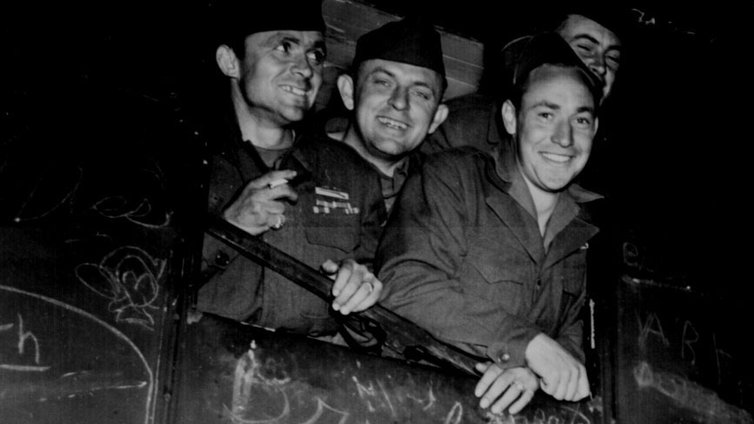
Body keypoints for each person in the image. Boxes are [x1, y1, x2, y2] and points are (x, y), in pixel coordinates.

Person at [376, 33, 602, 416]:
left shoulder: (590, 227)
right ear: (512, 119)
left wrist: (538, 372)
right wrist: (527, 345)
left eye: (579, 120)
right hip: (410, 406)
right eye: (546, 115)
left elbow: (580, 329)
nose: (564, 139)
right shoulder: (454, 178)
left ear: (594, 130)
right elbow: (402, 283)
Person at [195, 0, 385, 335]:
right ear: (230, 62)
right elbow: (128, 287)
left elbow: (373, 335)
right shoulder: (174, 162)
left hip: (306, 378)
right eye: (285, 48)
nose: (307, 69)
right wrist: (226, 230)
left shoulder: (354, 177)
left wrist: (360, 296)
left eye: (316, 55)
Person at [422, 8, 624, 157]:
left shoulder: (607, 157)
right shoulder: (464, 127)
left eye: (612, 59)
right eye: (586, 48)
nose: (601, 66)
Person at [328, 16, 449, 215]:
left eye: (420, 93)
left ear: (436, 118)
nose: (400, 102)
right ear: (349, 92)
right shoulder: (296, 160)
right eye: (383, 83)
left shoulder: (444, 197)